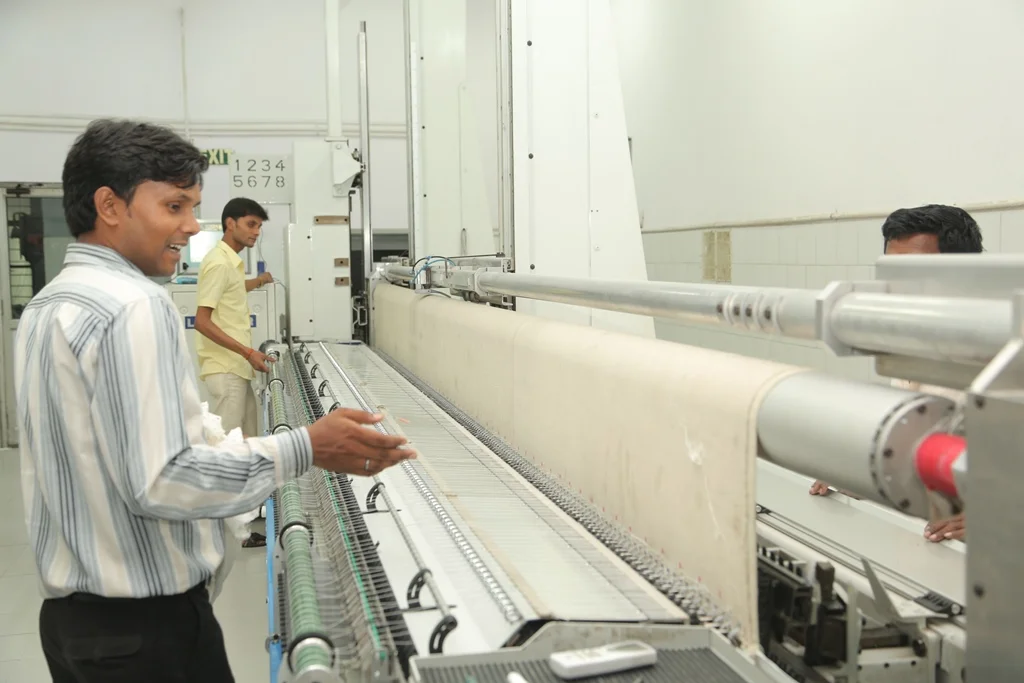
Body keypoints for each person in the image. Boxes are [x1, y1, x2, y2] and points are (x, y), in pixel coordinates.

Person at [16, 118, 414, 683]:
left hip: (74, 629)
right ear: (110, 206)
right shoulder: (134, 305)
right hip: (147, 635)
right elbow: (162, 480)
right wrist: (305, 447)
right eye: (174, 206)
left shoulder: (49, 304)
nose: (190, 225)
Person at [810, 204, 981, 543]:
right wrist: (864, 478)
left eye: (913, 273)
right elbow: (915, 449)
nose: (899, 288)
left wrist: (992, 517)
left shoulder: (1004, 345)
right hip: (930, 538)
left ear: (962, 270)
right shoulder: (910, 340)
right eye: (892, 273)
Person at [194, 197, 275, 548]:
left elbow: (230, 293)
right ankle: (231, 533)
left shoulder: (231, 262)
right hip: (227, 367)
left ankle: (244, 517)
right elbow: (201, 321)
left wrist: (258, 282)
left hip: (235, 367)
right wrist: (247, 351)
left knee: (245, 442)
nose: (256, 232)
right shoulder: (218, 263)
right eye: (251, 224)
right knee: (228, 452)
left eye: (259, 226)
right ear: (231, 223)